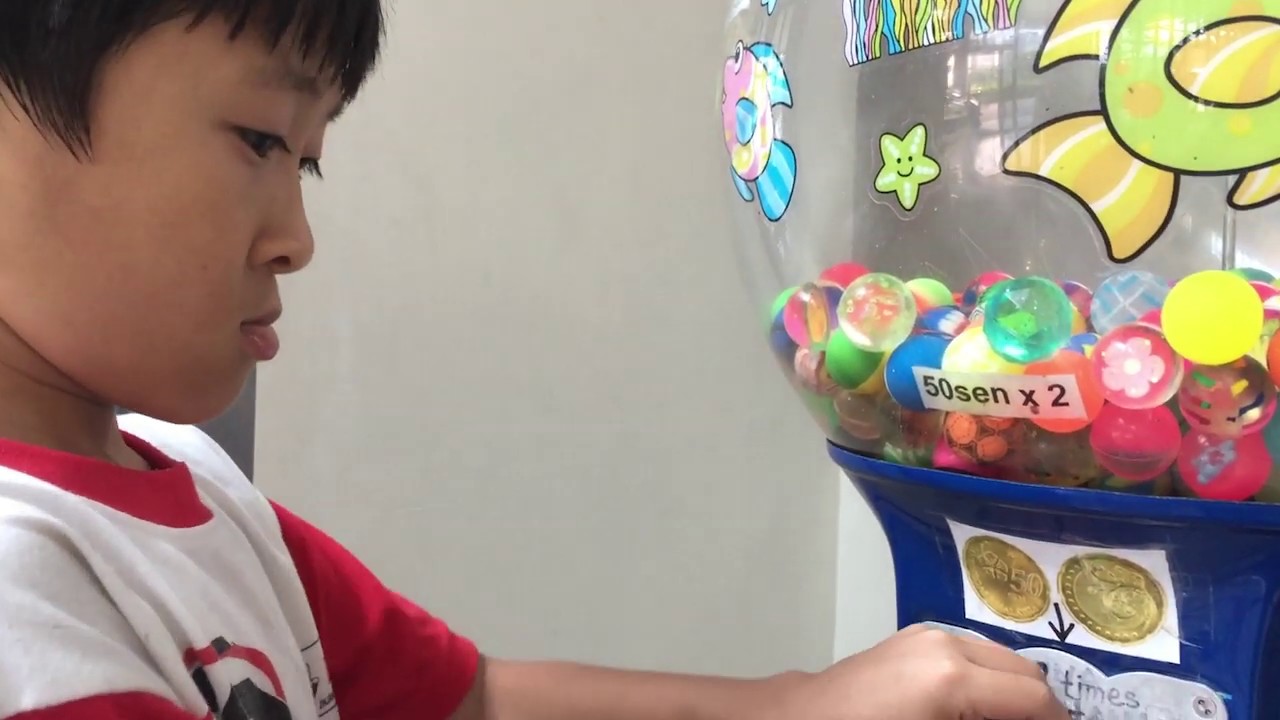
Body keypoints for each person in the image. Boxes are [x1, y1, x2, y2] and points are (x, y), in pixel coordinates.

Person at [0, 2, 1068, 719]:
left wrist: (799, 700)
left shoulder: (199, 490)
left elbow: (470, 696)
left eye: (308, 164)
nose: (295, 237)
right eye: (260, 140)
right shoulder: (24, 592)